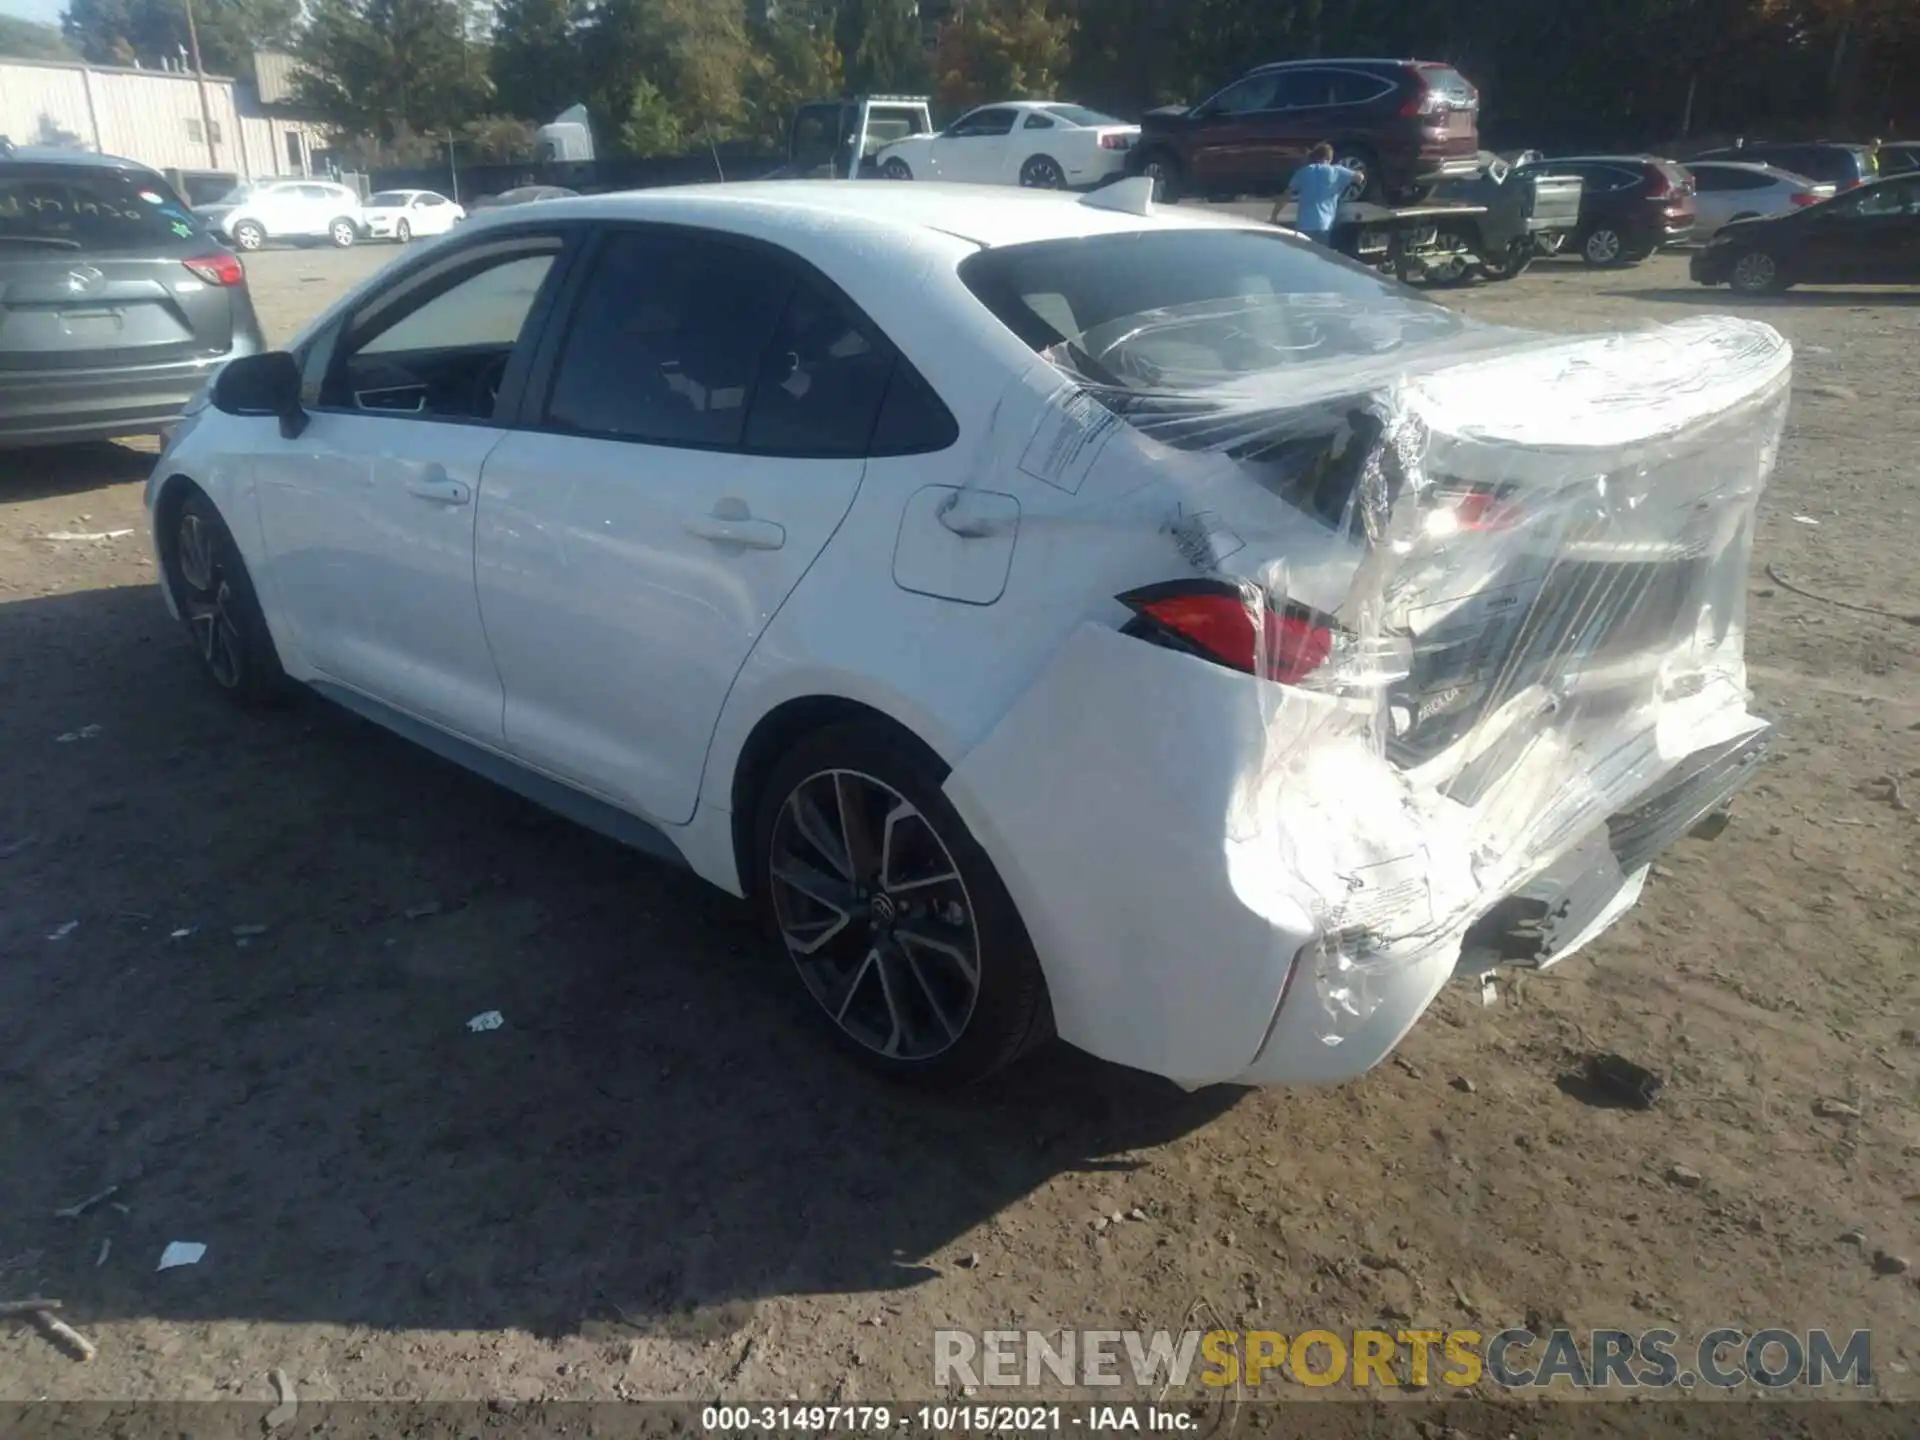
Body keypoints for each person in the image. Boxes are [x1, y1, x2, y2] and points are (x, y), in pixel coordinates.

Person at [1275, 143, 1360, 246]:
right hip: (1323, 225)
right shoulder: (1337, 171)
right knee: (1319, 256)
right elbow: (1359, 177)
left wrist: (1274, 215)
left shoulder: (1304, 171)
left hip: (1303, 226)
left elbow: (1286, 195)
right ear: (1328, 158)